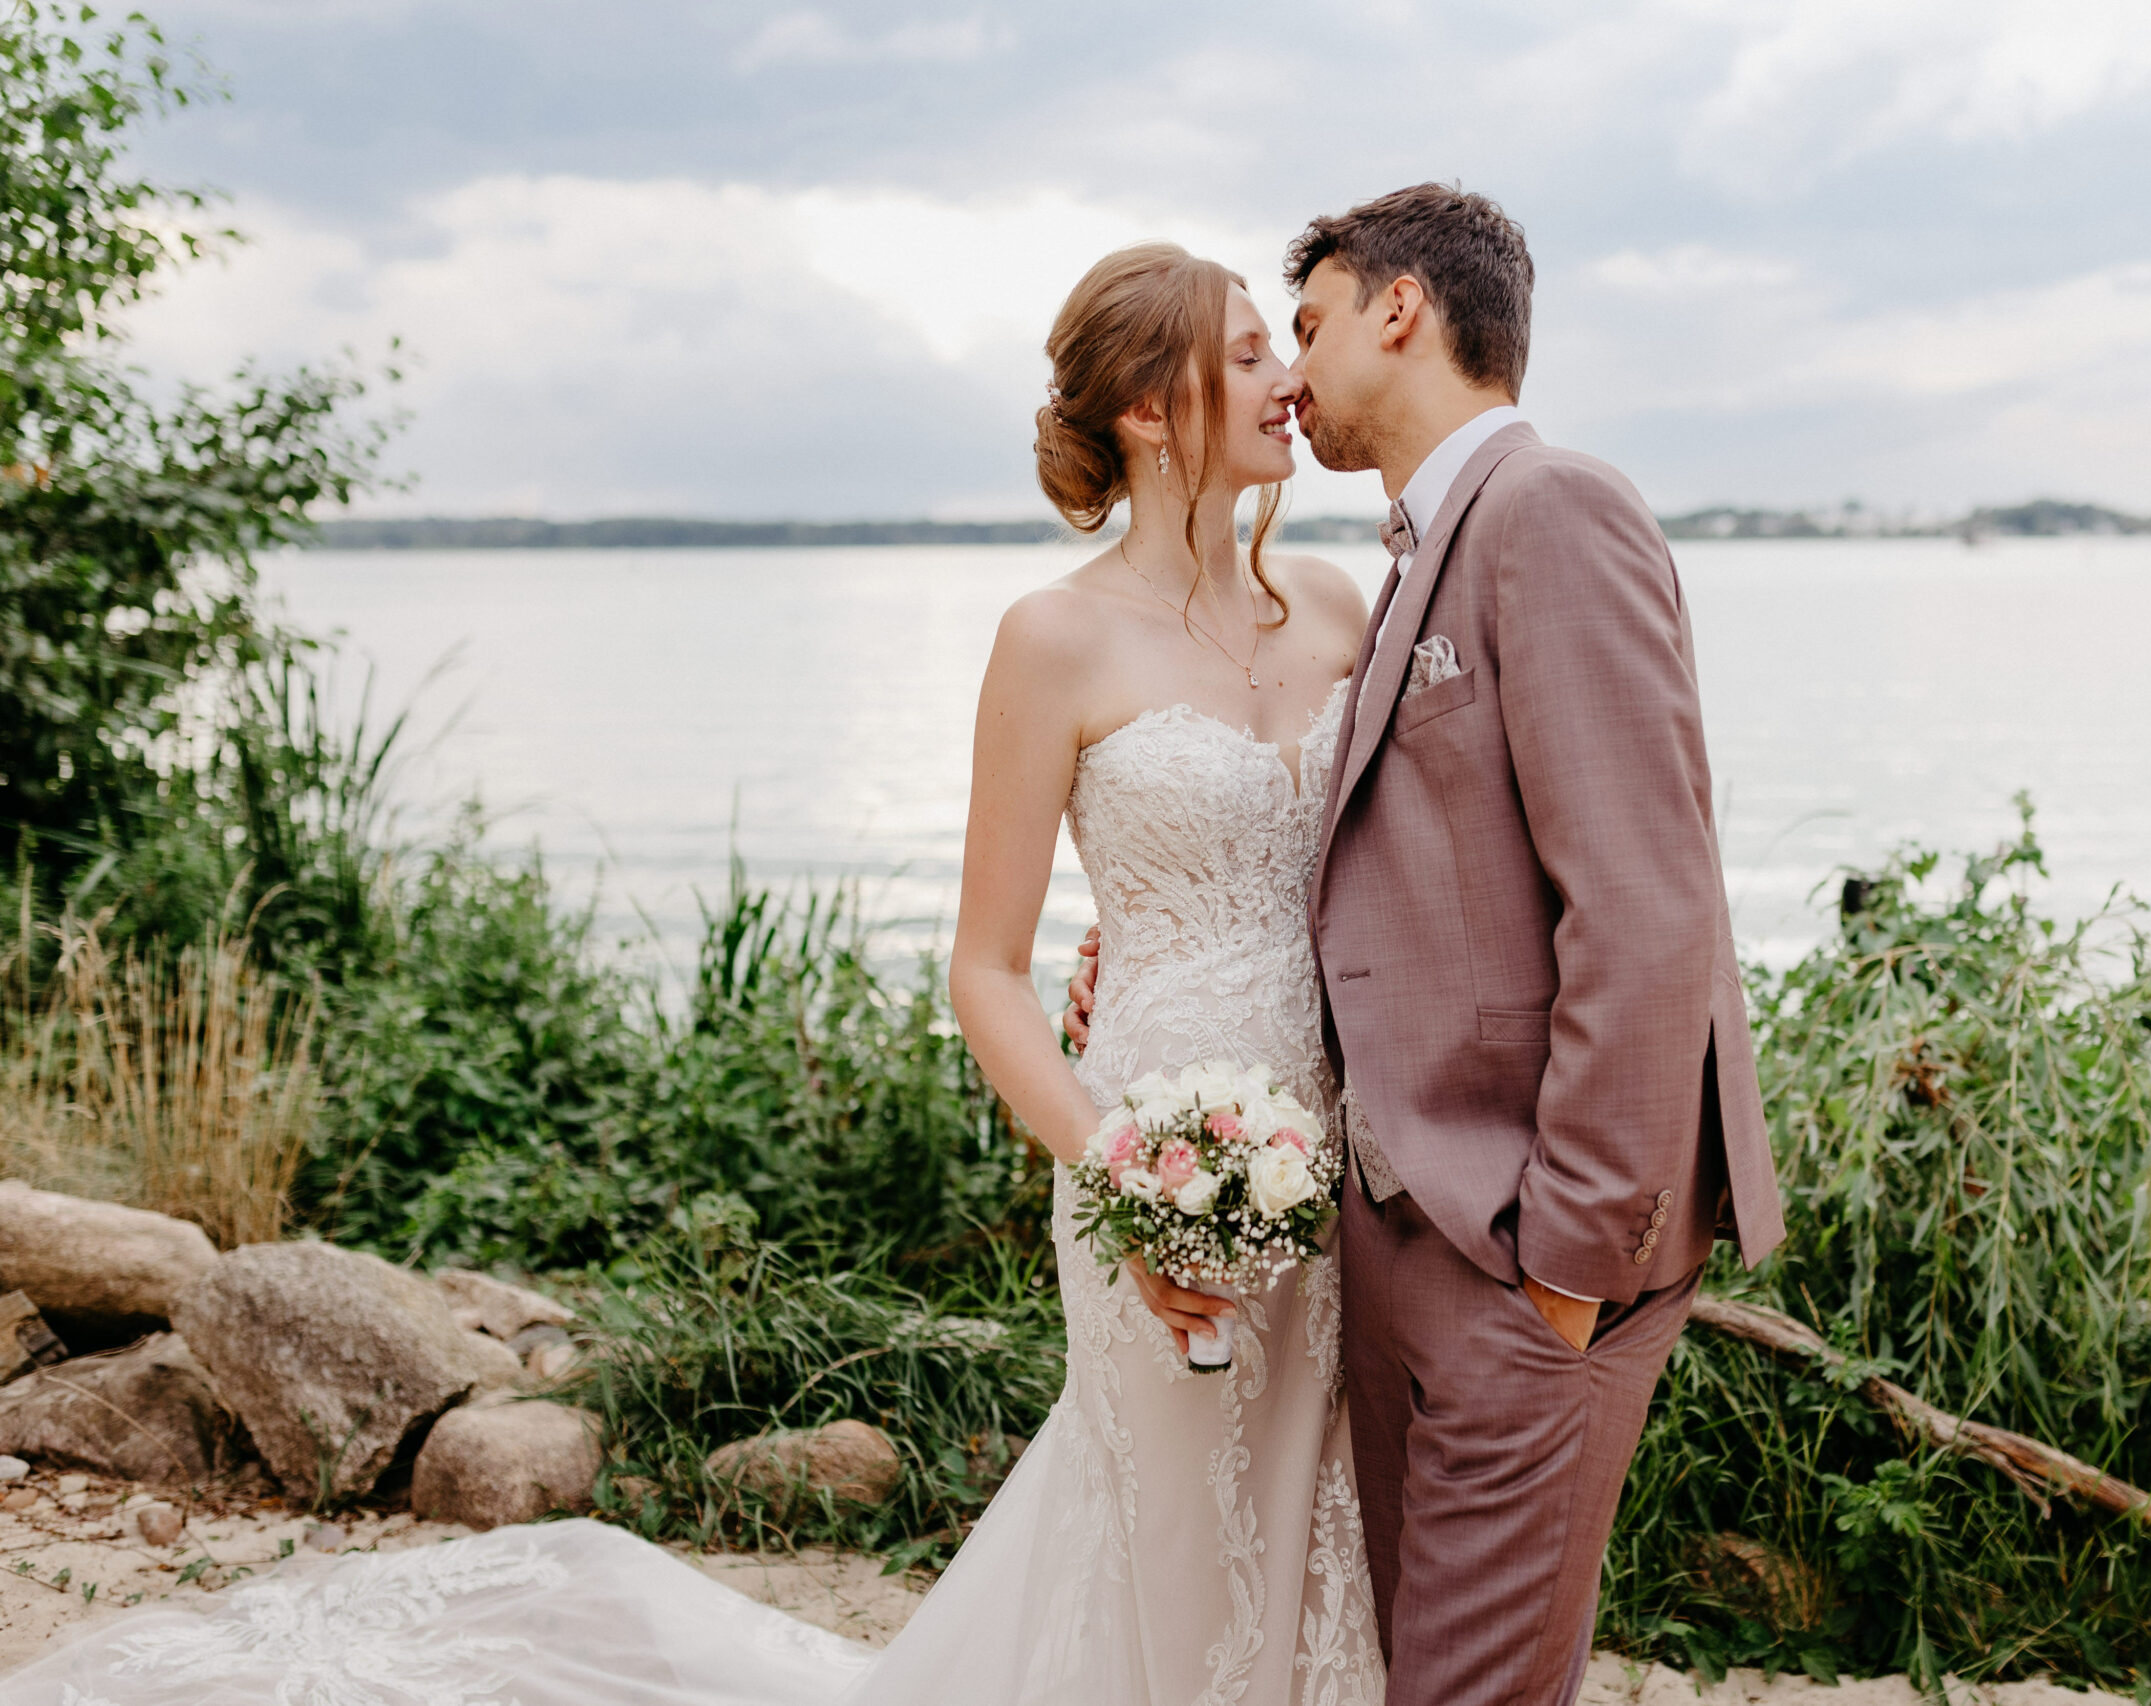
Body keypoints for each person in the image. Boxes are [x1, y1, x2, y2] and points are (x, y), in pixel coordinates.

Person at [0, 241, 1387, 1706]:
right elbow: (984, 969)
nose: (1286, 378)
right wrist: (1121, 1171)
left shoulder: (1337, 604)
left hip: (1338, 1144)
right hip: (1148, 1150)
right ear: (1149, 410)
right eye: (1244, 353)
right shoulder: (1052, 639)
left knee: (1327, 1508)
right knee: (1176, 1523)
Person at [1069, 183, 1786, 1706]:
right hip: (1400, 1243)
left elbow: (1650, 909)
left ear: (1402, 309)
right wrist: (1138, 928)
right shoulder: (1402, 561)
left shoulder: (1551, 509)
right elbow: (1385, 855)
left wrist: (1568, 1268)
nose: (1293, 373)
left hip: (1525, 1259)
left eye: (1308, 326)